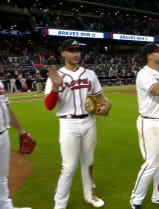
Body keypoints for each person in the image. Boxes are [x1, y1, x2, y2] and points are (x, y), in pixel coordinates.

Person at [44, 39, 111, 209]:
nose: (76, 53)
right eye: (71, 50)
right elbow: (49, 106)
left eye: (78, 50)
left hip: (89, 121)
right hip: (68, 124)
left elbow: (102, 99)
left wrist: (106, 107)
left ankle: (90, 195)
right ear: (63, 53)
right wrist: (55, 87)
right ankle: (60, 204)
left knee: (88, 161)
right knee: (69, 166)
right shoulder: (56, 76)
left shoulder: (90, 74)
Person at [130, 43, 159, 209]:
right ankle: (136, 199)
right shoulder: (144, 74)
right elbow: (158, 90)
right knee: (152, 163)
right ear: (150, 56)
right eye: (158, 52)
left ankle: (158, 195)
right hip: (150, 123)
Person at [0, 81, 32, 209]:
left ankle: (6, 206)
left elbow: (6, 108)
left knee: (2, 176)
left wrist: (20, 131)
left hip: (3, 133)